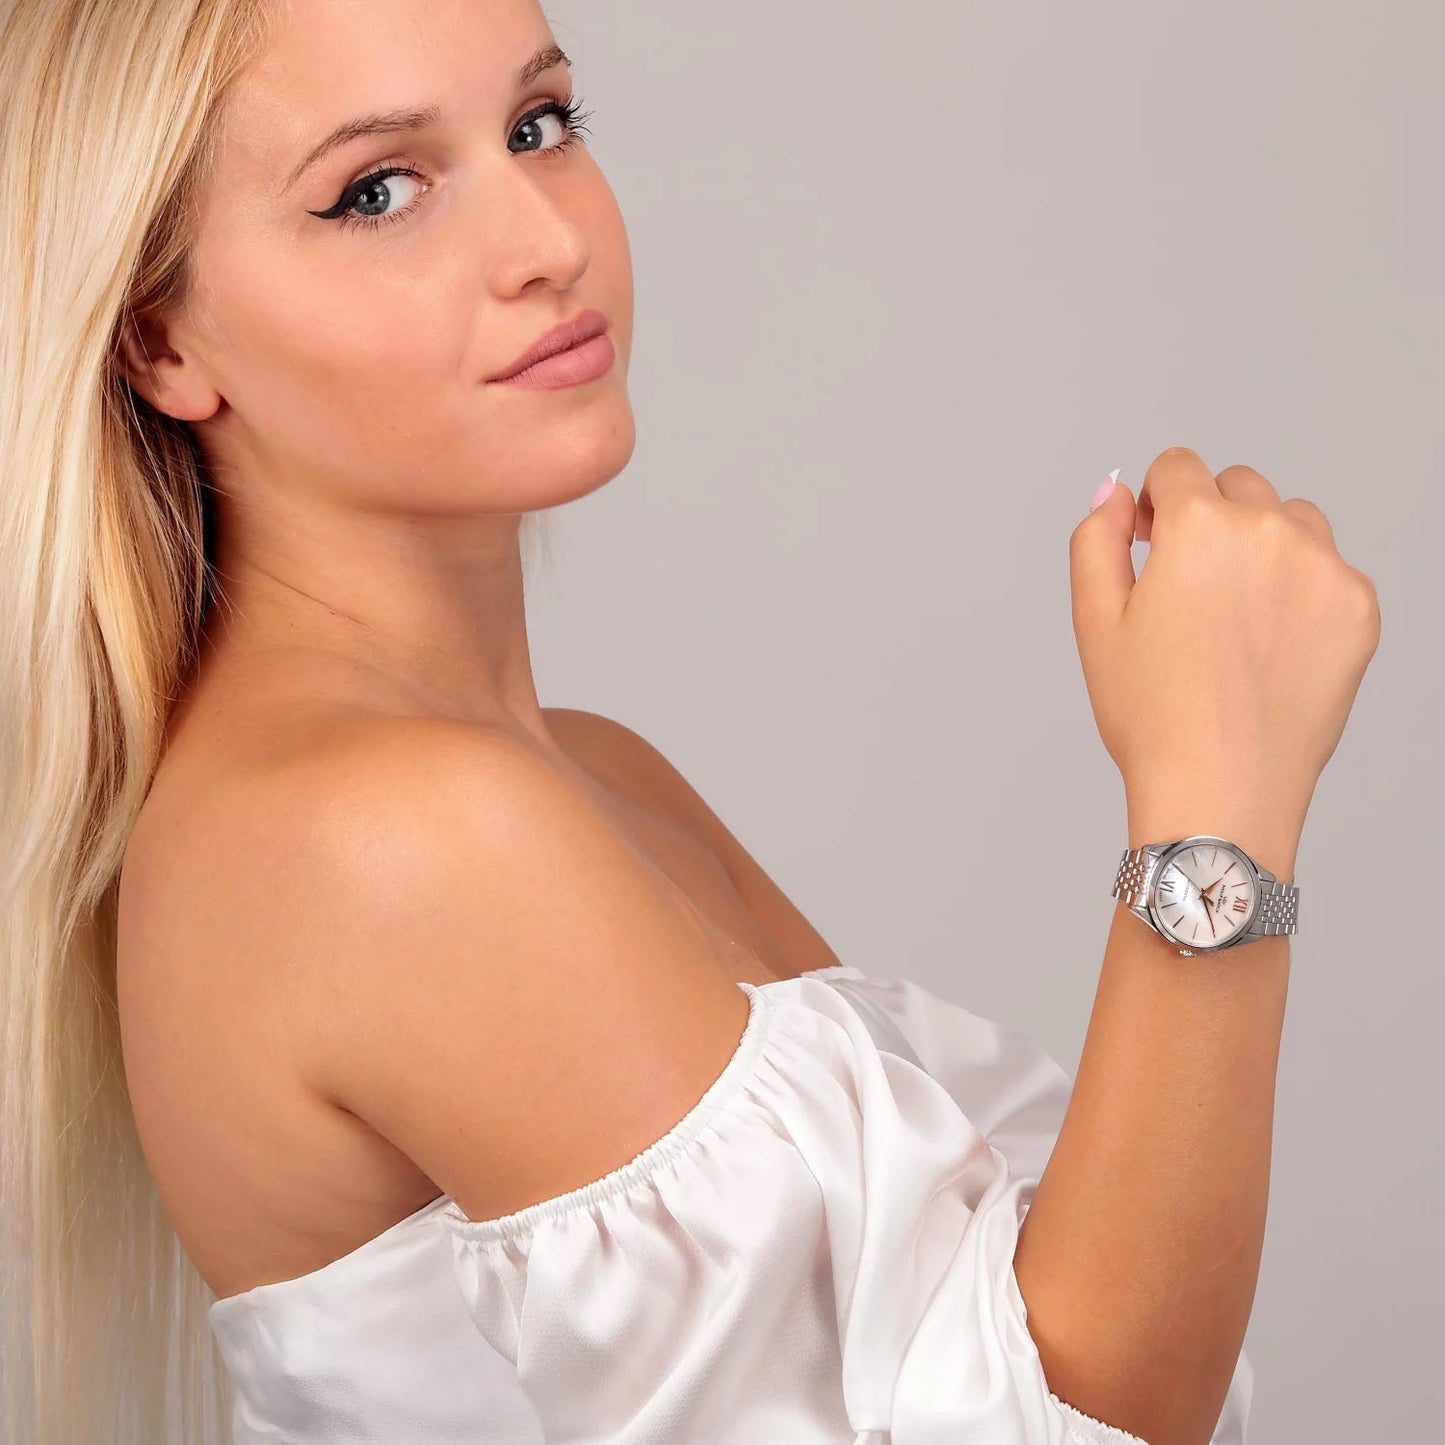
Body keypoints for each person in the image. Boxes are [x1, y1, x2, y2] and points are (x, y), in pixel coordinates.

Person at [0, 0, 1381, 1441]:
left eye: (540, 125)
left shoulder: (585, 773)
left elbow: (1001, 1321)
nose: (547, 239)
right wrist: (1217, 800)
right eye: (377, 192)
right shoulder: (388, 834)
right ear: (159, 341)